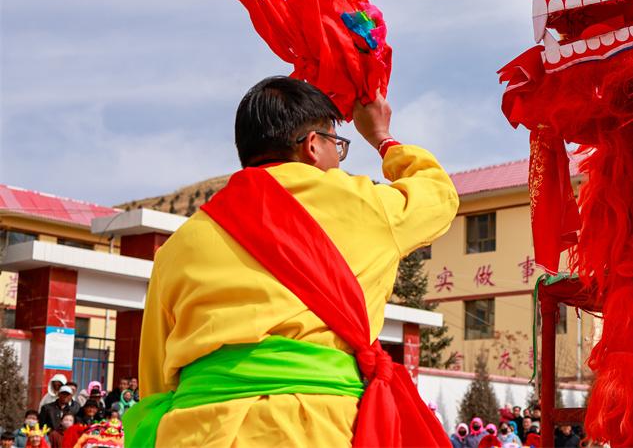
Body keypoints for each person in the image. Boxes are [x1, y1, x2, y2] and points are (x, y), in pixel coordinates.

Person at [132, 78, 459, 447]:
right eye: (338, 144)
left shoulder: (180, 244)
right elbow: (438, 195)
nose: (339, 158)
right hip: (314, 428)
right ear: (313, 144)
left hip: (195, 432)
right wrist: (382, 137)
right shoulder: (366, 206)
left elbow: (155, 384)